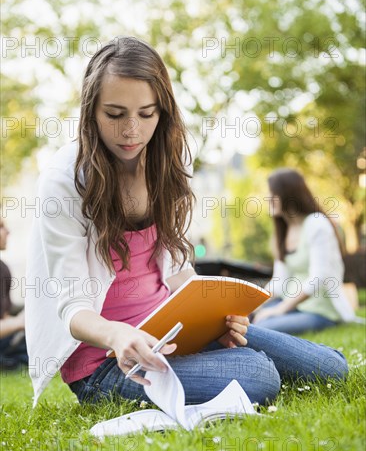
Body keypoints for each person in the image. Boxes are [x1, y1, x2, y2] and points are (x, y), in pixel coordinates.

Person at [25, 37, 348, 408]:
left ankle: (230, 357)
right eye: (115, 114)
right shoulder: (64, 180)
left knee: (330, 369)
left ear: (162, 111)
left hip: (175, 328)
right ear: (90, 112)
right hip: (109, 362)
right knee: (259, 375)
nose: (132, 130)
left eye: (146, 114)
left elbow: (177, 271)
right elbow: (72, 308)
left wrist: (215, 317)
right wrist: (117, 335)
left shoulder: (169, 161)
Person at [252, 168, 356, 334]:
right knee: (245, 321)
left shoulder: (317, 224)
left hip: (320, 311)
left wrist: (279, 310)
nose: (268, 199)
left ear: (289, 194)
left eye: (273, 193)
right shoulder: (283, 231)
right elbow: (279, 282)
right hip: (292, 306)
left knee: (260, 329)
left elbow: (318, 278)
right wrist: (250, 306)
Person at [0, 218, 28, 369]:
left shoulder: (3, 269)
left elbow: (3, 316)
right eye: (1, 227)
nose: (8, 232)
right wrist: (20, 322)